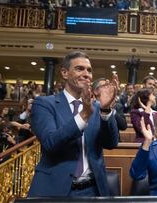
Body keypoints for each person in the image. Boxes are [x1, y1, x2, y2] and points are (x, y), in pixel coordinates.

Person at [28, 51, 119, 197]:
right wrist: (83, 115)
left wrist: (106, 110)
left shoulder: (98, 108)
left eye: (89, 70)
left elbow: (111, 143)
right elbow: (50, 143)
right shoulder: (44, 104)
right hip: (55, 190)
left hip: (92, 190)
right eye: (79, 68)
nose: (86, 74)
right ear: (65, 73)